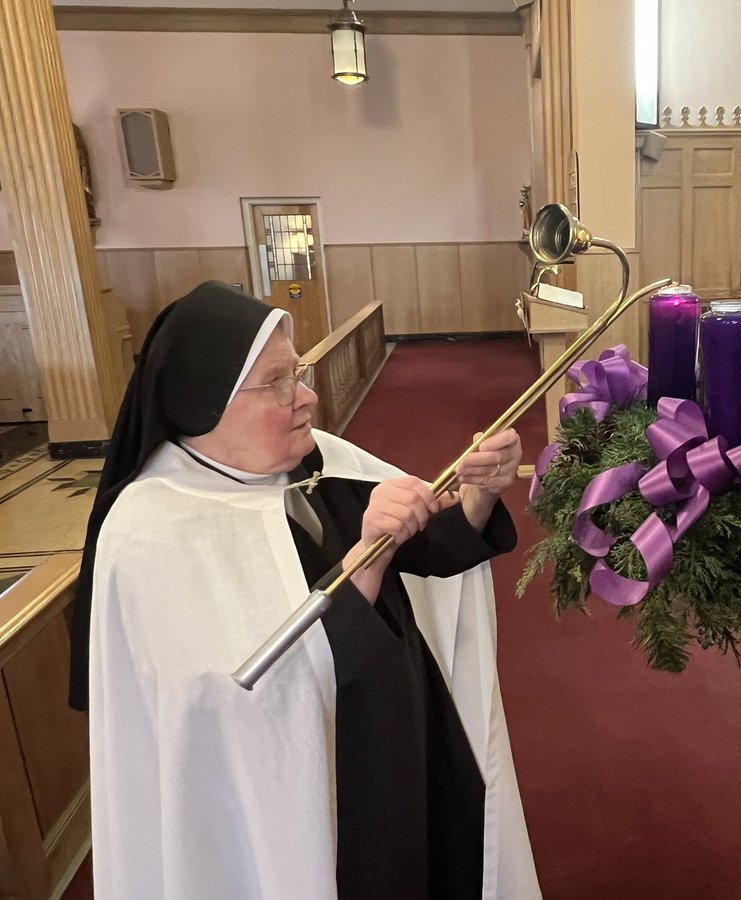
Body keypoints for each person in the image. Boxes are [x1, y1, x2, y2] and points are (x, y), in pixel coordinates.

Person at [71, 282, 541, 899]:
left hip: (398, 747)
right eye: (276, 383)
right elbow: (225, 706)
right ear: (204, 401)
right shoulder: (150, 526)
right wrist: (364, 565)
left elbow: (425, 550)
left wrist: (478, 496)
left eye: (298, 372)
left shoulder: (319, 460)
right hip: (305, 795)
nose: (306, 397)